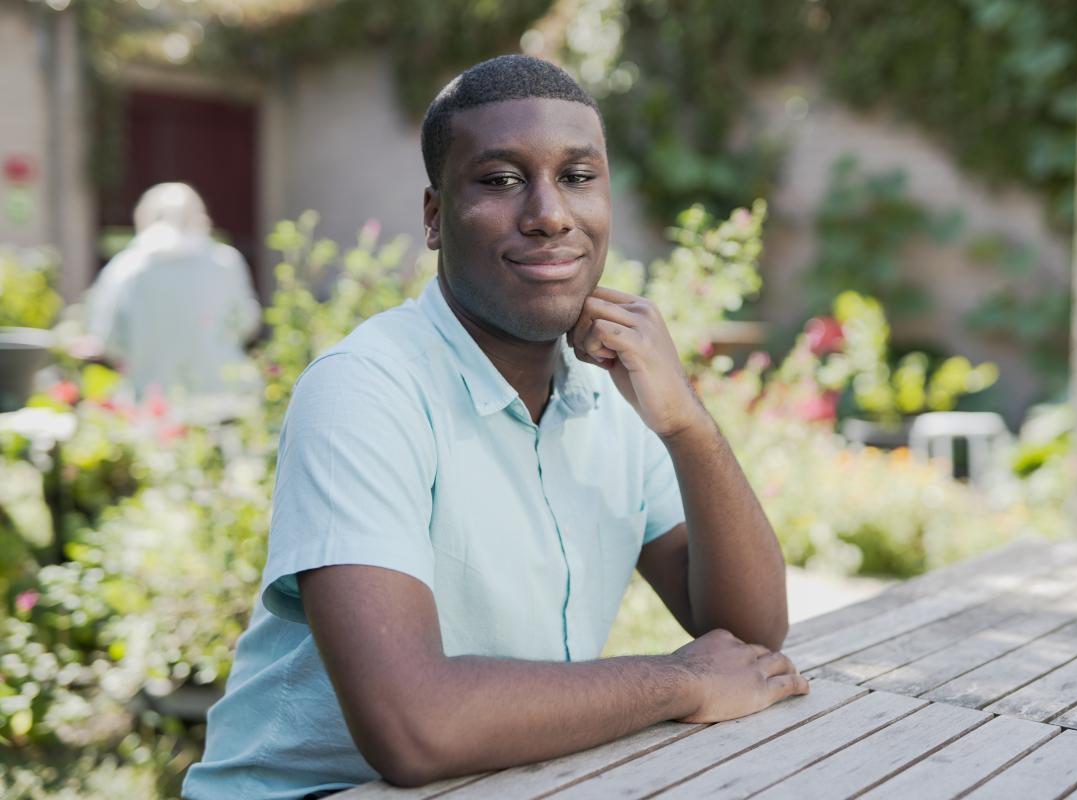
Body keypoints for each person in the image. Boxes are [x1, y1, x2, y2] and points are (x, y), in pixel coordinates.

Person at [183, 55, 805, 800]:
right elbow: (414, 728)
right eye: (501, 179)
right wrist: (679, 681)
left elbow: (747, 639)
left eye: (578, 177)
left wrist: (688, 425)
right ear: (435, 217)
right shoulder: (366, 391)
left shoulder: (614, 393)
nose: (549, 213)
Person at [86, 182, 261, 403]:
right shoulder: (225, 262)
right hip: (223, 394)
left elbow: (107, 337)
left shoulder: (125, 268)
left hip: (153, 399)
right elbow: (247, 322)